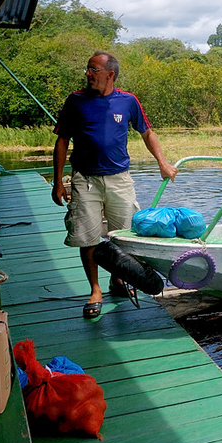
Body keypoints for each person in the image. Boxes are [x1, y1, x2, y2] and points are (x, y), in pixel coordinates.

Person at [51, 51, 178, 319]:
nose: (88, 74)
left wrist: (163, 163)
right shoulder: (75, 101)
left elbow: (147, 133)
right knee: (87, 236)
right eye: (87, 69)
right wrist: (57, 183)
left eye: (93, 70)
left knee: (126, 235)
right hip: (85, 180)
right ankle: (95, 290)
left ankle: (118, 280)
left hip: (119, 179)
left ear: (110, 74)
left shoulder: (128, 101)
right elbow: (62, 140)